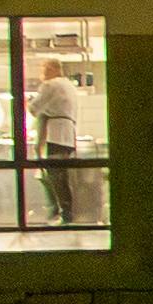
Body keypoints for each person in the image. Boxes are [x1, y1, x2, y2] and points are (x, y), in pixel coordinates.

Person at [31, 53, 91, 233]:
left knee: (55, 175)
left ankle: (63, 214)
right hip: (67, 134)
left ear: (53, 69)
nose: (42, 74)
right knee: (59, 175)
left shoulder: (50, 85)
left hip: (54, 135)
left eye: (44, 70)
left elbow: (34, 108)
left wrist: (28, 103)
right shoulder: (69, 86)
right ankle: (60, 212)